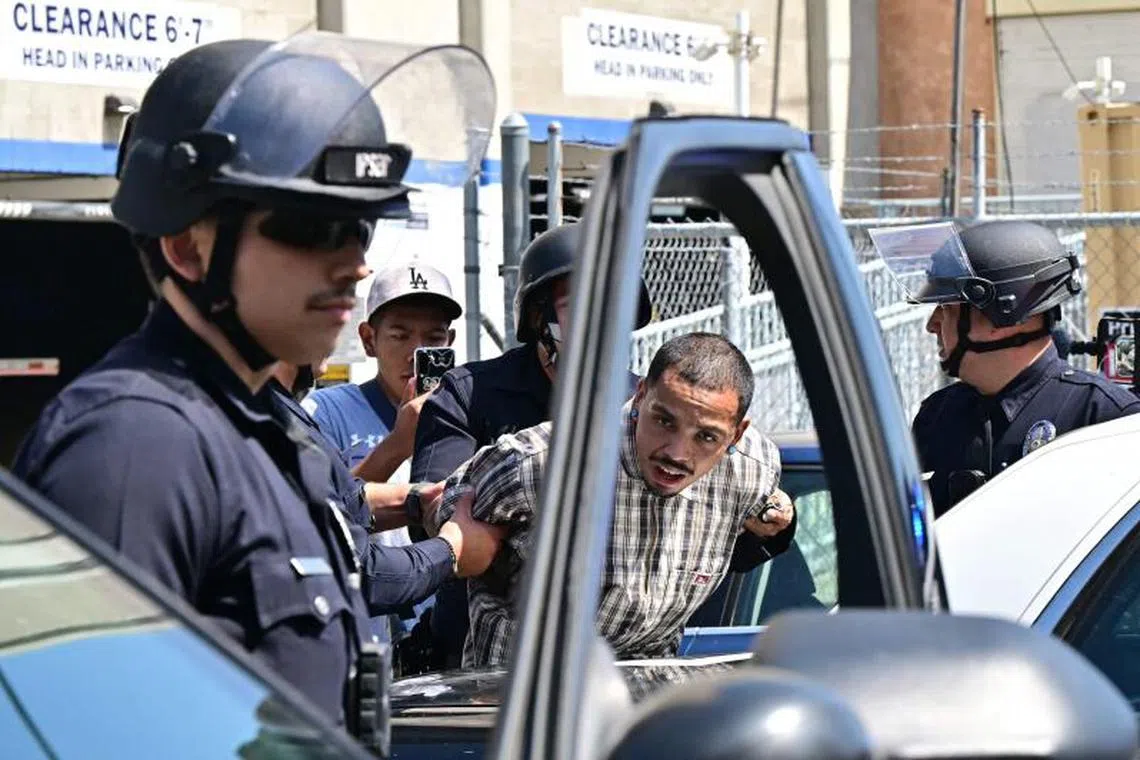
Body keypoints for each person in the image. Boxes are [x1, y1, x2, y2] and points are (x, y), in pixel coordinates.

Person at [10, 33, 494, 740]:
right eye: (312, 227)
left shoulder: (277, 431)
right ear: (187, 246)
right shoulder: (133, 446)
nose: (353, 265)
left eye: (359, 228)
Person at [428, 332, 796, 667]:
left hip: (643, 702)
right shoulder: (542, 463)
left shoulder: (753, 472)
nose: (677, 454)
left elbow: (758, 533)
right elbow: (445, 510)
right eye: (664, 422)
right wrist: (465, 546)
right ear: (639, 397)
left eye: (706, 437)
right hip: (520, 700)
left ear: (737, 435)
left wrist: (779, 522)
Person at [410, 221, 654, 667]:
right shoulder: (469, 394)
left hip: (613, 666)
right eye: (578, 305)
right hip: (479, 665)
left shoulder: (648, 407)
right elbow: (438, 510)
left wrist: (770, 523)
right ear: (540, 317)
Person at [892, 220, 1140, 515]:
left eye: (946, 307)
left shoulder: (1105, 417)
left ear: (1003, 316)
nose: (932, 324)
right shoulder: (936, 417)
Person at [271, 361, 504, 663]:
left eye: (434, 334)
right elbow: (359, 570)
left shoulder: (282, 408)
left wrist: (420, 500)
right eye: (400, 333)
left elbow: (346, 501)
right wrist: (452, 550)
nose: (342, 314)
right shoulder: (278, 415)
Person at [304, 261, 461, 480]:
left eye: (434, 338)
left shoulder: (469, 414)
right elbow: (322, 506)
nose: (415, 354)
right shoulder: (326, 412)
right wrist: (397, 445)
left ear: (449, 341)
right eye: (399, 336)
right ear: (369, 339)